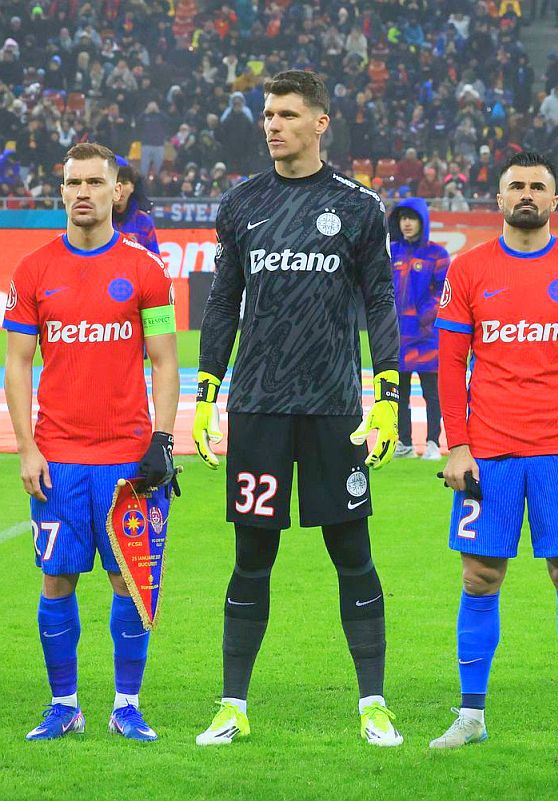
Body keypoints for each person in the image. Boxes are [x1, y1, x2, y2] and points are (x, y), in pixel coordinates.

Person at [192, 70, 404, 747]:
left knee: (353, 551)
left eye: (286, 114)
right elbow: (223, 303)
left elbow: (380, 301)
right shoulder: (241, 203)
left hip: (333, 407)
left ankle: (373, 704)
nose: (272, 125)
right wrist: (206, 392)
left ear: (320, 122)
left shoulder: (358, 206)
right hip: (258, 406)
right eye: (268, 114)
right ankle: (232, 705)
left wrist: (389, 394)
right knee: (252, 554)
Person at [430, 151, 558, 751]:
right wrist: (458, 447)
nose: (527, 194)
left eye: (538, 186)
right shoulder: (468, 269)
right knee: (479, 578)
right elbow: (450, 364)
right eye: (517, 186)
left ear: (555, 200)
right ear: (500, 198)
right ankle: (470, 716)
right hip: (489, 454)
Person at [4, 141, 179, 741]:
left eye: (94, 182)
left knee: (128, 582)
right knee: (57, 580)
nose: (83, 192)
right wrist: (28, 448)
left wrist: (162, 440)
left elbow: (164, 360)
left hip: (127, 459)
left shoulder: (145, 269)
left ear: (116, 191)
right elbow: (17, 363)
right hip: (57, 459)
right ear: (62, 191)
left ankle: (126, 705)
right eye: (73, 183)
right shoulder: (33, 270)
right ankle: (65, 705)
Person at [388, 196, 450, 460]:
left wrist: (423, 316)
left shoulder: (437, 254)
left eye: (412, 218)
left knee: (431, 393)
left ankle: (433, 442)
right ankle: (403, 442)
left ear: (422, 221)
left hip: (427, 336)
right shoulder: (391, 251)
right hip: (397, 335)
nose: (407, 223)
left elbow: (444, 291)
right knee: (399, 393)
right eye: (403, 218)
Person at [113, 162, 159, 254]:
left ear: (132, 187)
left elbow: (154, 258)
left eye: (124, 183)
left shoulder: (144, 221)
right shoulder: (98, 220)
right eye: (115, 182)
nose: (119, 188)